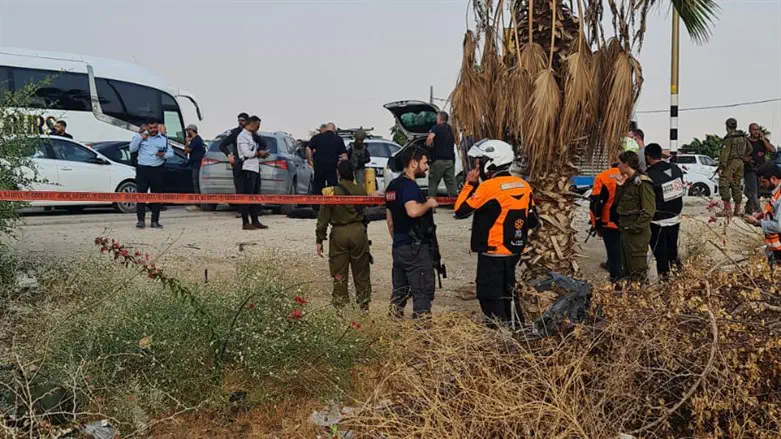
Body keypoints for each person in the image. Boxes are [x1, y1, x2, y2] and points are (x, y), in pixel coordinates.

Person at [454, 140, 539, 328]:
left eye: (480, 162)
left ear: (491, 162)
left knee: (489, 294)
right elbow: (533, 220)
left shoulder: (488, 187)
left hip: (492, 252)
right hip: (513, 250)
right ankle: (517, 327)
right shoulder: (523, 185)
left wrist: (469, 184)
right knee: (508, 291)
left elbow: (460, 211)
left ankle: (498, 333)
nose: (478, 166)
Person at [385, 147, 438, 319]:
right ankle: (422, 337)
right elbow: (413, 211)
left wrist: (399, 242)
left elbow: (390, 221)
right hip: (415, 248)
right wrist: (429, 204)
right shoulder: (409, 186)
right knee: (422, 293)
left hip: (400, 247)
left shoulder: (392, 186)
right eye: (424, 163)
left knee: (399, 293)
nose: (427, 167)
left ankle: (392, 331)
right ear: (413, 163)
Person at [316, 160, 372, 310]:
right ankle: (364, 307)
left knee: (339, 273)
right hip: (358, 232)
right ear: (353, 173)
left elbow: (323, 218)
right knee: (361, 272)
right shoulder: (361, 190)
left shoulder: (331, 192)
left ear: (338, 173)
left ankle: (339, 308)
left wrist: (319, 239)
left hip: (339, 233)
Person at [615, 151, 656, 282]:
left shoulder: (642, 183)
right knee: (627, 270)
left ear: (626, 164)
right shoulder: (629, 182)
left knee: (637, 271)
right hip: (627, 230)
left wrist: (635, 227)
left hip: (637, 233)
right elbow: (619, 205)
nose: (618, 167)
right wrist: (620, 187)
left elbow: (649, 210)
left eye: (620, 164)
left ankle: (640, 297)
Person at [645, 143, 685, 279]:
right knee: (672, 250)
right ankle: (681, 280)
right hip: (675, 217)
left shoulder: (649, 175)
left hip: (657, 221)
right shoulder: (676, 169)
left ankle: (665, 283)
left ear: (648, 157)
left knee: (660, 254)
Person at [129, 118, 174, 229]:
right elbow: (131, 149)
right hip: (143, 169)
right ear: (147, 127)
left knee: (157, 196)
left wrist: (163, 155)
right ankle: (140, 221)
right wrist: (140, 137)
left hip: (157, 170)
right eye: (151, 128)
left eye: (155, 127)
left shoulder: (164, 139)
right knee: (141, 195)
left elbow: (171, 153)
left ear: (157, 127)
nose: (153, 130)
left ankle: (155, 221)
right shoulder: (139, 137)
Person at [590, 155, 623, 282]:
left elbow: (595, 203)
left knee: (613, 254)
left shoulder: (602, 177)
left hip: (609, 223)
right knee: (625, 252)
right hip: (628, 222)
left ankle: (615, 281)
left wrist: (596, 224)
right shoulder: (630, 176)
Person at [744, 162, 781, 267]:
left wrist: (758, 222)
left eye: (764, 182)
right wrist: (762, 214)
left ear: (773, 179)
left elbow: (778, 226)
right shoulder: (777, 193)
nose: (761, 185)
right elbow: (774, 210)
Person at [236, 116, 269, 230]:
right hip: (247, 168)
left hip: (255, 167)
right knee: (247, 196)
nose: (258, 128)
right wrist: (258, 153)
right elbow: (246, 153)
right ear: (252, 124)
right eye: (257, 125)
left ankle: (255, 220)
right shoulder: (242, 136)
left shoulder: (253, 136)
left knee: (255, 196)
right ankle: (245, 222)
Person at [718, 118, 753, 217]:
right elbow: (750, 149)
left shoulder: (729, 138)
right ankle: (737, 210)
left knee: (724, 183)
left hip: (730, 163)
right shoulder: (743, 137)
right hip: (740, 163)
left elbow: (725, 154)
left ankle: (727, 209)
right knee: (736, 184)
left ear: (727, 126)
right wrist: (742, 156)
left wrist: (721, 167)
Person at [744, 123, 777, 214]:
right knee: (753, 191)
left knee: (758, 192)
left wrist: (763, 140)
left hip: (761, 170)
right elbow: (738, 154)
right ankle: (758, 211)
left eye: (758, 129)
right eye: (754, 130)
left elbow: (773, 150)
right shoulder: (746, 141)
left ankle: (749, 207)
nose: (756, 131)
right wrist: (744, 158)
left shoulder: (763, 140)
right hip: (749, 169)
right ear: (750, 131)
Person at [425, 111, 458, 197]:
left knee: (433, 183)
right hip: (450, 161)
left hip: (438, 161)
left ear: (439, 118)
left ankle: (431, 207)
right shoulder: (451, 129)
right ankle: (455, 204)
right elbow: (457, 141)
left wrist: (428, 147)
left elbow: (429, 138)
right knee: (451, 184)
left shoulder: (436, 127)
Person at [309, 122, 347, 196]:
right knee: (332, 188)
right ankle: (331, 205)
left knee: (318, 187)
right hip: (332, 168)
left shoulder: (317, 137)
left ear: (326, 128)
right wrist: (341, 168)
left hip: (319, 167)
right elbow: (344, 156)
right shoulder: (338, 139)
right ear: (334, 130)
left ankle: (317, 205)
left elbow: (308, 148)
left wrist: (310, 160)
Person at [184, 124, 206, 212]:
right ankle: (199, 203)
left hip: (197, 164)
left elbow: (186, 151)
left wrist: (186, 142)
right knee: (196, 183)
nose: (187, 132)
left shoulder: (196, 140)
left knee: (196, 183)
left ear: (191, 130)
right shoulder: (196, 140)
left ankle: (198, 204)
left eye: (187, 130)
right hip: (195, 163)